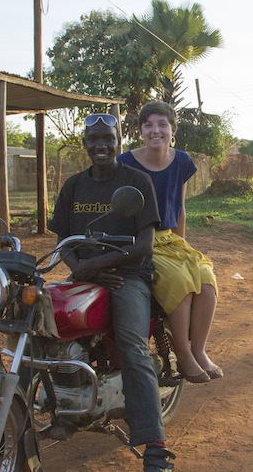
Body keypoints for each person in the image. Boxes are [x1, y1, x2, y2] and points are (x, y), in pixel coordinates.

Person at [48, 113, 175, 472]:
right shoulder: (74, 185)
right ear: (84, 143)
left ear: (119, 140)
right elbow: (62, 242)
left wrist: (100, 267)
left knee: (133, 347)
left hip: (128, 277)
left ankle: (156, 448)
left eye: (108, 138)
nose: (101, 146)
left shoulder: (136, 182)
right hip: (86, 274)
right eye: (94, 139)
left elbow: (145, 245)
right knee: (44, 329)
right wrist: (82, 269)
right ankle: (62, 410)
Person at [117, 100, 222, 384]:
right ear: (140, 130)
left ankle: (198, 350)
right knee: (180, 283)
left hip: (170, 240)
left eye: (162, 124)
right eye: (148, 125)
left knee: (205, 278)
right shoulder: (125, 164)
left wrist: (182, 248)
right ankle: (183, 354)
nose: (156, 130)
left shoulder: (182, 162)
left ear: (172, 129)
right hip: (142, 238)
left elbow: (180, 208)